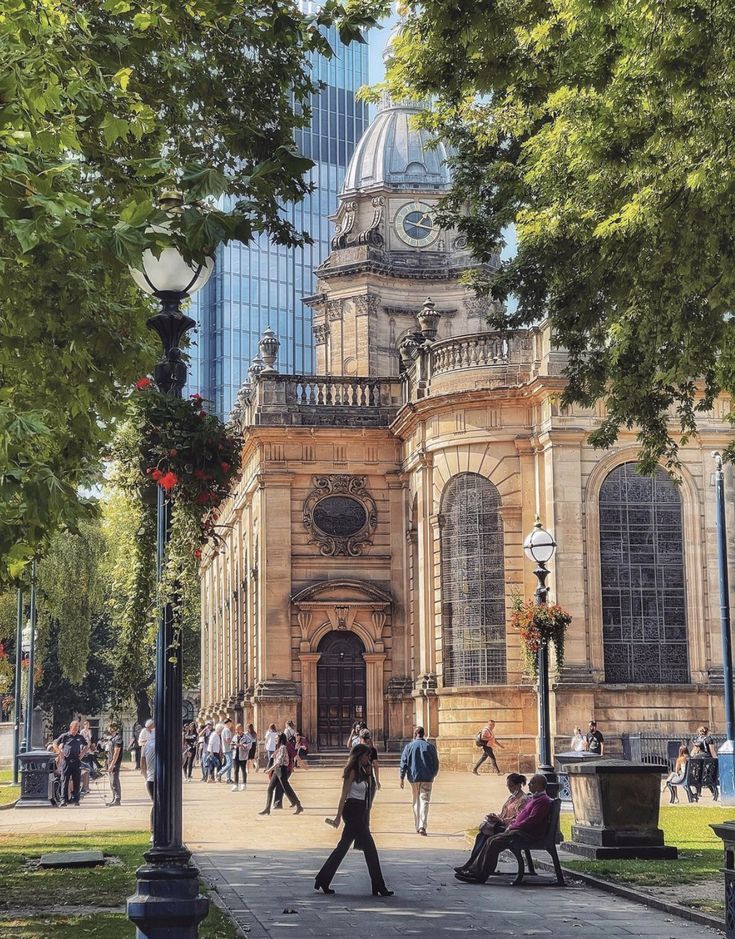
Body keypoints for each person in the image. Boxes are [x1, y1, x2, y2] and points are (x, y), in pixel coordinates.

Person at [314, 744, 393, 896]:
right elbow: (344, 795)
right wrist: (338, 817)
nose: (368, 759)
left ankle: (323, 879)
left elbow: (368, 794)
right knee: (370, 848)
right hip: (351, 811)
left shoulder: (365, 772)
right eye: (366, 756)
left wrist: (370, 773)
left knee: (342, 847)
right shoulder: (351, 772)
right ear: (359, 756)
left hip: (360, 811)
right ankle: (378, 885)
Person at [454, 774, 553, 883]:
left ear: (539, 785)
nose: (528, 784)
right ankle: (475, 871)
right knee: (490, 840)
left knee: (494, 842)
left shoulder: (541, 801)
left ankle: (480, 876)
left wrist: (512, 826)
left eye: (532, 783)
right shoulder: (535, 798)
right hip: (518, 830)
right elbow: (522, 818)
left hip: (525, 833)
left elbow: (531, 821)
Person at [454, 774, 529, 875]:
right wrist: (496, 817)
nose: (510, 789)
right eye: (508, 786)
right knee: (482, 835)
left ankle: (474, 866)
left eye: (512, 786)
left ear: (519, 785)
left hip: (510, 829)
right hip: (502, 825)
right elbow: (504, 814)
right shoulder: (512, 798)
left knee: (487, 836)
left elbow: (518, 819)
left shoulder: (523, 800)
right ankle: (472, 864)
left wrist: (501, 820)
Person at [399, 726, 439, 836]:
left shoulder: (409, 747)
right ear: (423, 734)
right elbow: (436, 763)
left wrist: (402, 777)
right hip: (427, 777)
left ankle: (417, 825)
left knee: (416, 801)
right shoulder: (430, 747)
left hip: (413, 777)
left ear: (415, 734)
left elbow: (404, 763)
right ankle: (422, 825)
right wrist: (433, 774)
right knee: (425, 801)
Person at [258, 733, 304, 815]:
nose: (275, 740)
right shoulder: (279, 748)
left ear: (280, 739)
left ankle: (299, 805)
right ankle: (267, 808)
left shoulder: (283, 748)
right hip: (277, 770)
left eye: (276, 738)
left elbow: (279, 762)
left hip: (282, 770)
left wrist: (269, 770)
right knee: (270, 788)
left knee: (287, 789)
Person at [53, 719, 90, 806]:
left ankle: (76, 799)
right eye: (75, 727)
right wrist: (59, 751)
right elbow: (55, 743)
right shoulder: (65, 736)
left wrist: (83, 753)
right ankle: (63, 800)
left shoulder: (80, 737)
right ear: (70, 727)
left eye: (77, 727)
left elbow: (87, 744)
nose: (76, 729)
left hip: (76, 761)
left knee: (76, 780)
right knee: (64, 780)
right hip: (67, 761)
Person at [141, 723, 156, 839]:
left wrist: (146, 776)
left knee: (155, 803)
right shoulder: (160, 745)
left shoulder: (145, 746)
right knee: (159, 804)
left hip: (150, 779)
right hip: (157, 779)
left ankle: (153, 830)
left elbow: (142, 764)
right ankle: (154, 830)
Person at [360, 728, 381, 801]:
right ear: (369, 738)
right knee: (368, 803)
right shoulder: (372, 750)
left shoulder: (357, 749)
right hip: (369, 778)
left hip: (358, 778)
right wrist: (377, 780)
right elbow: (375, 765)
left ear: (360, 737)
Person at [231, 723, 253, 791]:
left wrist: (242, 746)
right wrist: (233, 746)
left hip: (243, 756)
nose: (237, 731)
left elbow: (249, 746)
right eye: (236, 729)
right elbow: (232, 745)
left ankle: (244, 784)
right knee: (235, 770)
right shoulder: (234, 737)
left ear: (241, 729)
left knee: (243, 770)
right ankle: (235, 785)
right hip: (235, 755)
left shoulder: (247, 737)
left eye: (238, 729)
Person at [106, 723, 123, 806]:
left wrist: (112, 764)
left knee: (114, 781)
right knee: (111, 781)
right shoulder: (112, 738)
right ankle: (114, 798)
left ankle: (117, 799)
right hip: (110, 761)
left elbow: (116, 752)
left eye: (109, 727)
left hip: (115, 762)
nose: (108, 729)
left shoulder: (118, 738)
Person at [218, 718, 234, 783]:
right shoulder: (227, 730)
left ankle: (228, 778)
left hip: (226, 748)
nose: (231, 725)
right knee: (230, 764)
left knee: (228, 764)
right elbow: (227, 740)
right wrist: (233, 742)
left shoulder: (224, 730)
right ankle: (220, 773)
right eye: (230, 723)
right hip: (228, 749)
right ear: (228, 723)